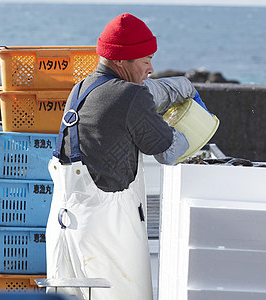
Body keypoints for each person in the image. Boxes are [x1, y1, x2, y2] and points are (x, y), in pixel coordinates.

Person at [46, 13, 192, 300]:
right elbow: (168, 149)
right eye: (145, 60)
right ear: (121, 60)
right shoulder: (129, 96)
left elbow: (132, 102)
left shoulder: (83, 88)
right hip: (106, 231)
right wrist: (195, 124)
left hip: (66, 224)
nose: (151, 68)